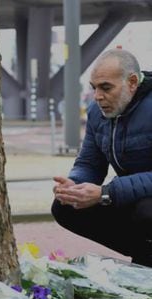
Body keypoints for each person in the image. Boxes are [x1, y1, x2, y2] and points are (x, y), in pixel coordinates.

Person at [51, 48, 152, 267]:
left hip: (144, 202)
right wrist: (74, 186)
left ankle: (145, 261)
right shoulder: (98, 113)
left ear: (132, 82)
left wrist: (106, 193)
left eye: (106, 87)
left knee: (146, 210)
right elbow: (89, 163)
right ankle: (146, 257)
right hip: (132, 197)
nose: (97, 96)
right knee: (65, 208)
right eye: (94, 87)